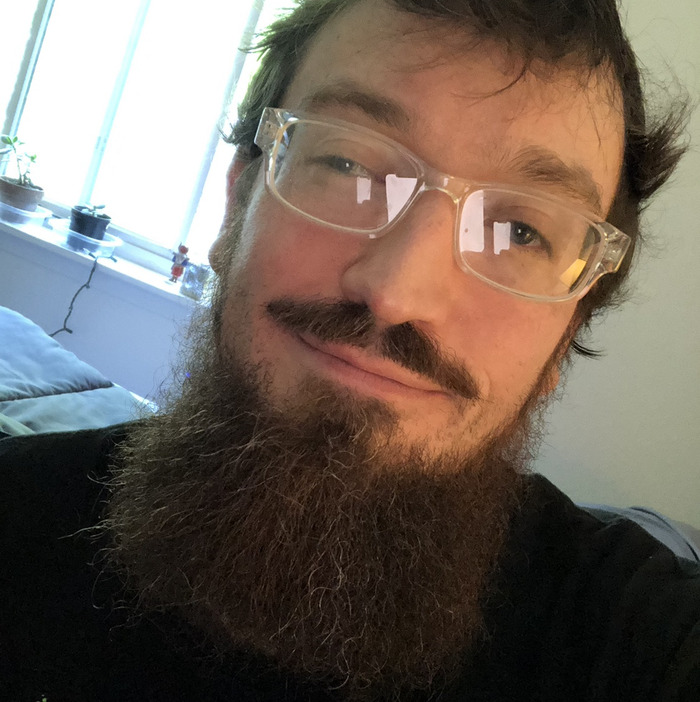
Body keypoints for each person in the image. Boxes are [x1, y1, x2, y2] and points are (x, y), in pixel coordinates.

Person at [1, 0, 698, 700]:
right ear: (236, 206)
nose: (396, 293)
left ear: (567, 333)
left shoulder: (642, 640)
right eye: (349, 165)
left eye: (519, 231)